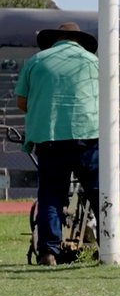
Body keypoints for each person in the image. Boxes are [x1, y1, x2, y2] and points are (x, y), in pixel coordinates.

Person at [15, 22, 100, 266]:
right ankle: (109, 244)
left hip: (49, 137)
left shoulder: (36, 61)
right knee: (98, 193)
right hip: (87, 135)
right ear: (79, 41)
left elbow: (22, 102)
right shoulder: (93, 62)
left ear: (55, 39)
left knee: (51, 195)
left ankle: (48, 252)